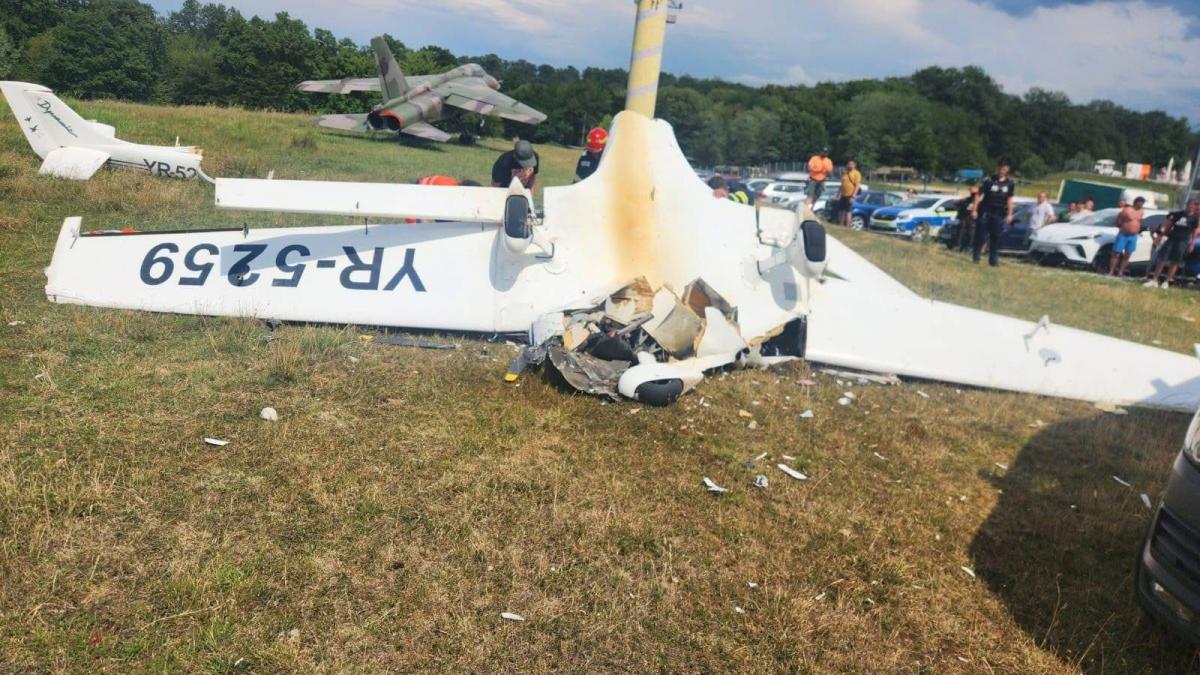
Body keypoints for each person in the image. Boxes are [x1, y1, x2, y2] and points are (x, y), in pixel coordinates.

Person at [1145, 198, 1200, 289]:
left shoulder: (1195, 218)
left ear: (1194, 207)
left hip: (1183, 240)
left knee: (1175, 261)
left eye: (1192, 205)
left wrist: (1192, 244)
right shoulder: (1178, 214)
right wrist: (1161, 236)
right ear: (1186, 205)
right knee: (1162, 258)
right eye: (1189, 205)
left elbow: (1195, 232)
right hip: (1172, 238)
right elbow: (1168, 226)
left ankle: (1166, 281)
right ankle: (1154, 280)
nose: (1190, 207)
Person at [971, 160, 1016, 267]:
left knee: (996, 237)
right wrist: (974, 210)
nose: (1001, 171)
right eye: (1000, 169)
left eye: (1004, 169)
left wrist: (1010, 214)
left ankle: (993, 260)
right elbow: (978, 195)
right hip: (985, 211)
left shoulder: (1010, 183)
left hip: (998, 213)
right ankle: (976, 257)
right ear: (997, 169)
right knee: (981, 235)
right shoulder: (988, 180)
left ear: (1007, 170)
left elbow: (1010, 199)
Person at [1109, 197, 1145, 277]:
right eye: (1140, 202)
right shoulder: (1127, 210)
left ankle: (1120, 272)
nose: (1141, 204)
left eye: (1142, 203)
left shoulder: (1141, 211)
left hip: (1133, 236)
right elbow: (1118, 220)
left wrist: (1137, 229)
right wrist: (1124, 228)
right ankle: (1111, 271)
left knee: (1128, 254)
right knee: (1116, 253)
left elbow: (1140, 221)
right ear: (1136, 202)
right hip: (1123, 234)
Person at [954, 187, 979, 252]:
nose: (973, 195)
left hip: (972, 220)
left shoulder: (979, 202)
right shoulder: (966, 200)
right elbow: (956, 203)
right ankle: (959, 246)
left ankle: (968, 247)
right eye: (972, 193)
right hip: (964, 218)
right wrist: (959, 210)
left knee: (971, 233)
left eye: (975, 193)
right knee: (961, 232)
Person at [838, 160, 862, 226]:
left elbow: (857, 186)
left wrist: (853, 196)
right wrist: (838, 194)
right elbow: (842, 184)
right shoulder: (845, 173)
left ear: (854, 166)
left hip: (850, 195)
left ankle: (848, 225)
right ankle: (840, 224)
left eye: (851, 164)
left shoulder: (856, 173)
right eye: (849, 164)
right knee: (841, 209)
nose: (850, 165)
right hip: (843, 194)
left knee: (848, 211)